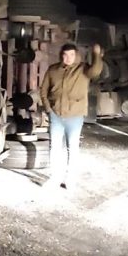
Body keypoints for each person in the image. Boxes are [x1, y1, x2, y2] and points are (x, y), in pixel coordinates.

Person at [39, 41, 103, 191]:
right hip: (56, 116)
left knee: (72, 148)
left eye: (72, 55)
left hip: (75, 117)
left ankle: (70, 179)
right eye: (65, 55)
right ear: (61, 56)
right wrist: (49, 109)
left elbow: (96, 71)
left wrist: (96, 55)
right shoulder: (53, 70)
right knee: (54, 147)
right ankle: (54, 178)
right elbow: (43, 91)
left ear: (76, 56)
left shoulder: (83, 69)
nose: (68, 58)